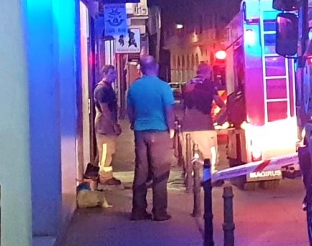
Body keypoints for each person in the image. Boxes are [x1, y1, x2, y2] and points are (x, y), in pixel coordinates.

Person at [126, 55, 176, 221]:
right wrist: (172, 129)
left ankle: (138, 210)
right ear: (156, 67)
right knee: (160, 171)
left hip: (141, 132)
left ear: (140, 68)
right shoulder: (163, 87)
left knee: (141, 170)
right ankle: (159, 211)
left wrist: (135, 124)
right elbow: (169, 110)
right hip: (160, 131)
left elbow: (130, 111)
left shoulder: (133, 88)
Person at [180, 63, 226, 166]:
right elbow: (222, 106)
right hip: (204, 124)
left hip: (187, 124)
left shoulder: (187, 84)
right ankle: (209, 176)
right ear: (209, 73)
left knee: (189, 153)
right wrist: (217, 120)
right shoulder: (210, 85)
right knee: (208, 153)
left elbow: (182, 105)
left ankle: (191, 176)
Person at [93, 65, 123, 186]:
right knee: (106, 151)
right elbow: (105, 109)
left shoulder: (106, 88)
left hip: (106, 124)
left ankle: (103, 175)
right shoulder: (102, 90)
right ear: (104, 74)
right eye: (111, 73)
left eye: (114, 73)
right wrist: (114, 124)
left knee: (108, 150)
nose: (114, 75)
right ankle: (105, 177)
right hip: (104, 124)